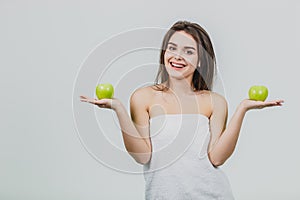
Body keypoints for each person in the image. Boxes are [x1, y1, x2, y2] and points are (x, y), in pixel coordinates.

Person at [80, 21, 283, 199]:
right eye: (172, 48)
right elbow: (143, 156)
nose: (178, 57)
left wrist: (242, 109)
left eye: (188, 51)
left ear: (201, 60)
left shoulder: (214, 101)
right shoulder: (143, 97)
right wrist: (118, 109)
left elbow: (217, 158)